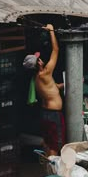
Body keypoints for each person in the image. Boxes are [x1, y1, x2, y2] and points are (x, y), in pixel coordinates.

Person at [23, 24, 65, 156]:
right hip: (53, 115)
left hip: (45, 114)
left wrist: (64, 85)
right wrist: (52, 30)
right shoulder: (45, 73)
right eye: (39, 59)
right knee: (56, 146)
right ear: (39, 63)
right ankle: (54, 174)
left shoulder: (37, 80)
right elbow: (55, 50)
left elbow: (52, 88)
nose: (41, 60)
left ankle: (50, 171)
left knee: (49, 143)